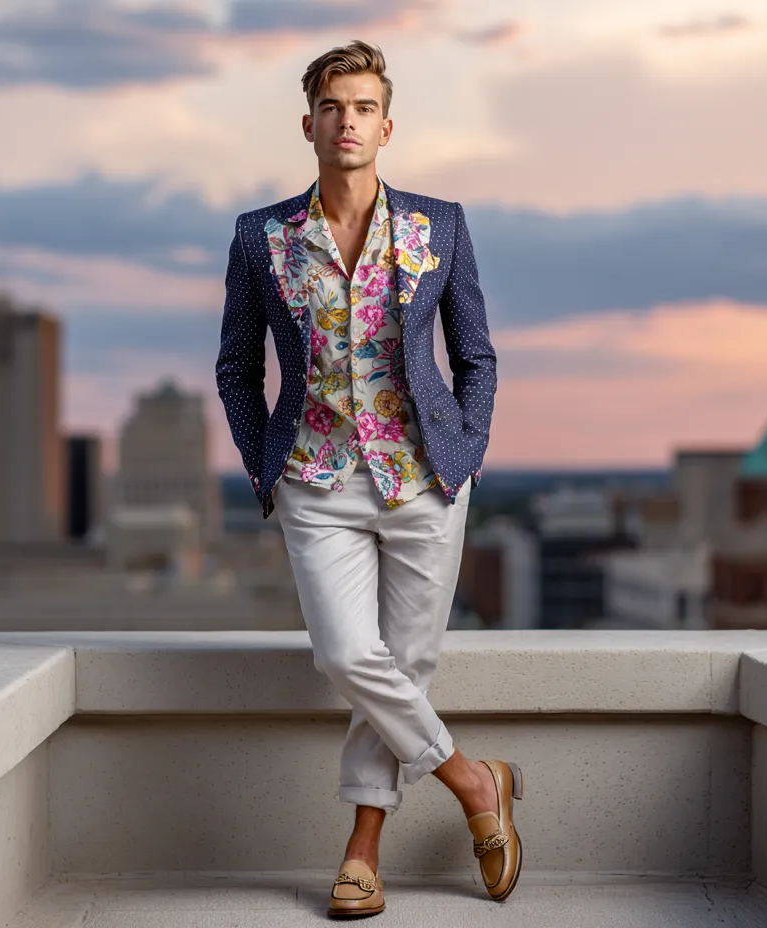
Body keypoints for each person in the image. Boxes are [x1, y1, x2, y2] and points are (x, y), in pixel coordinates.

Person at [215, 39, 520, 918]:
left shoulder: (441, 226)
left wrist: (467, 451)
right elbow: (238, 368)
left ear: (387, 126)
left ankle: (360, 851)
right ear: (307, 122)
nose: (346, 121)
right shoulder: (262, 238)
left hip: (425, 476)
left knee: (408, 666)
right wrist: (260, 463)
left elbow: (477, 356)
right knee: (347, 655)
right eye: (331, 106)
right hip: (315, 475)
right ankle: (473, 782)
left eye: (362, 108)